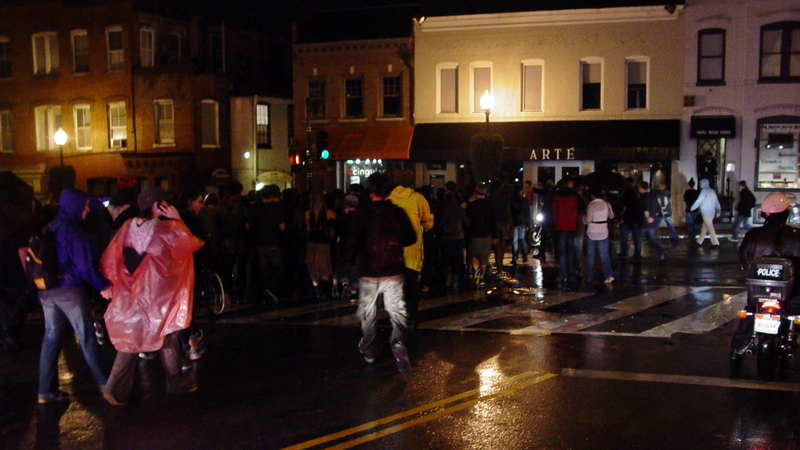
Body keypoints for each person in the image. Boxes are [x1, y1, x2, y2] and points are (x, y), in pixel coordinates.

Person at [100, 187, 204, 405]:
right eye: (166, 203)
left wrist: (111, 284)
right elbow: (189, 245)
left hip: (131, 295)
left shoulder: (128, 226)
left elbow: (111, 256)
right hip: (157, 296)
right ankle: (175, 383)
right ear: (157, 206)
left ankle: (114, 387)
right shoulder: (164, 229)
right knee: (168, 333)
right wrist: (178, 220)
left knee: (132, 339)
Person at [36, 188, 111, 404]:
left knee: (51, 338)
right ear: (75, 206)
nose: (87, 209)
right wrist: (103, 285)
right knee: (87, 337)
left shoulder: (50, 227)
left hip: (47, 291)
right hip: (69, 291)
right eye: (84, 205)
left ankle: (45, 391)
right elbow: (85, 267)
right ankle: (107, 385)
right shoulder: (73, 231)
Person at [345, 173, 417, 373]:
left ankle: (368, 349)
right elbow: (411, 237)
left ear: (370, 191)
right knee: (397, 310)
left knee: (368, 312)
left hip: (368, 269)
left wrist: (349, 261)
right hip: (393, 268)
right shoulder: (397, 212)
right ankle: (398, 342)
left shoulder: (363, 213)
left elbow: (352, 241)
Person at [731, 192, 800, 360]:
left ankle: (737, 350)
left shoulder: (753, 235)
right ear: (786, 213)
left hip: (759, 292)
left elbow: (744, 258)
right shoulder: (796, 235)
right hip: (790, 294)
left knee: (750, 312)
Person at [388, 169, 433, 328]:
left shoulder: (388, 198)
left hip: (392, 250)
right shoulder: (418, 199)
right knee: (413, 286)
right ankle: (412, 316)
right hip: (412, 250)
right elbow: (428, 221)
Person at [247, 185, 285, 301]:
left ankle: (265, 290)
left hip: (260, 242)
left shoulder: (256, 208)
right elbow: (282, 227)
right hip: (273, 242)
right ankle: (271, 289)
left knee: (264, 269)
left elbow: (247, 226)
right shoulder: (277, 208)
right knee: (275, 268)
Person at [551, 177, 585, 289]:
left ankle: (563, 273)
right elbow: (581, 207)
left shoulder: (555, 195)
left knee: (561, 251)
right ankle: (571, 272)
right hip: (571, 224)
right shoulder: (575, 195)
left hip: (559, 225)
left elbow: (551, 209)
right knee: (570, 249)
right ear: (569, 183)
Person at [437, 186, 468, 293]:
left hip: (446, 237)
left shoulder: (443, 210)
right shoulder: (459, 210)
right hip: (458, 237)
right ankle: (455, 281)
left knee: (447, 259)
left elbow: (440, 224)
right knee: (457, 259)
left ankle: (448, 278)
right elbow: (466, 222)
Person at [305, 190, 336, 299]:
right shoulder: (329, 212)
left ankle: (316, 289)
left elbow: (308, 229)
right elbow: (333, 228)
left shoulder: (308, 213)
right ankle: (322, 290)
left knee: (313, 266)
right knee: (325, 268)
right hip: (324, 242)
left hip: (312, 242)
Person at [465, 184, 496, 287]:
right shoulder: (490, 205)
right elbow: (493, 221)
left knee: (473, 254)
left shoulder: (472, 206)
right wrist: (494, 235)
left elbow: (466, 219)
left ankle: (477, 270)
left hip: (474, 234)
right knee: (484, 257)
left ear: (476, 193)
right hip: (487, 234)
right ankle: (481, 277)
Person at [583, 187, 615, 285]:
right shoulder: (606, 204)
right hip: (603, 230)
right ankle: (608, 275)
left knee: (590, 255)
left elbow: (588, 220)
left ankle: (588, 276)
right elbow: (612, 216)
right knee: (604, 255)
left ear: (592, 195)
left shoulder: (591, 205)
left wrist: (584, 219)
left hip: (592, 231)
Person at [637, 181, 669, 260]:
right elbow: (658, 209)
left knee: (639, 240)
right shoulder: (653, 196)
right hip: (652, 222)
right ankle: (661, 251)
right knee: (651, 238)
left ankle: (637, 257)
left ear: (641, 188)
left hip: (643, 222)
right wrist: (653, 216)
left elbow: (644, 207)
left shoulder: (643, 197)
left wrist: (648, 217)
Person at [486, 180, 512, 273]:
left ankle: (496, 266)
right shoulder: (505, 198)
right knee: (501, 246)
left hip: (493, 223)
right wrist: (511, 227)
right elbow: (508, 212)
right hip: (503, 223)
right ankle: (500, 267)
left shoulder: (489, 198)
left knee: (494, 245)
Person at [691, 179, 721, 247]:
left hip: (705, 212)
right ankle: (699, 241)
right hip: (712, 212)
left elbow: (699, 200)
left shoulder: (704, 191)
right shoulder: (712, 191)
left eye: (701, 183)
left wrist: (693, 207)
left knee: (710, 227)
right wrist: (718, 210)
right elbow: (716, 202)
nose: (700, 185)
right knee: (705, 226)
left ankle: (715, 243)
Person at [618, 178, 643, 259]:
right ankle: (637, 254)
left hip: (627, 218)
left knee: (624, 236)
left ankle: (624, 252)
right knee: (636, 237)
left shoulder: (626, 193)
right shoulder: (636, 192)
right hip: (636, 218)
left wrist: (621, 216)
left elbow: (624, 206)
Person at [509, 186, 531, 266]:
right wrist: (528, 223)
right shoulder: (524, 201)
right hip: (522, 222)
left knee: (514, 241)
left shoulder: (511, 200)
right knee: (522, 239)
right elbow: (527, 212)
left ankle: (515, 258)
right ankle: (524, 254)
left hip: (514, 222)